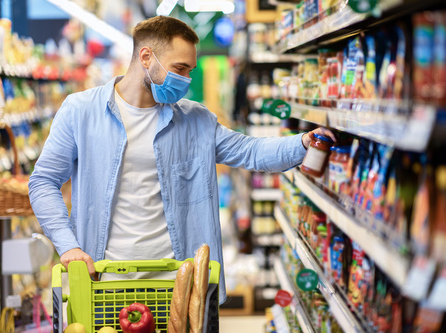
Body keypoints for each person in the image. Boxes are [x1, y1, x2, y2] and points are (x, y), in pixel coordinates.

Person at [28, 16, 335, 304]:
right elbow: (43, 181)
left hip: (180, 284)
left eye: (190, 70)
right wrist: (68, 246)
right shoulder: (80, 111)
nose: (187, 79)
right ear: (146, 57)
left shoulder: (196, 120)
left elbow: (251, 151)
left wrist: (304, 142)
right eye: (181, 68)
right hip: (105, 278)